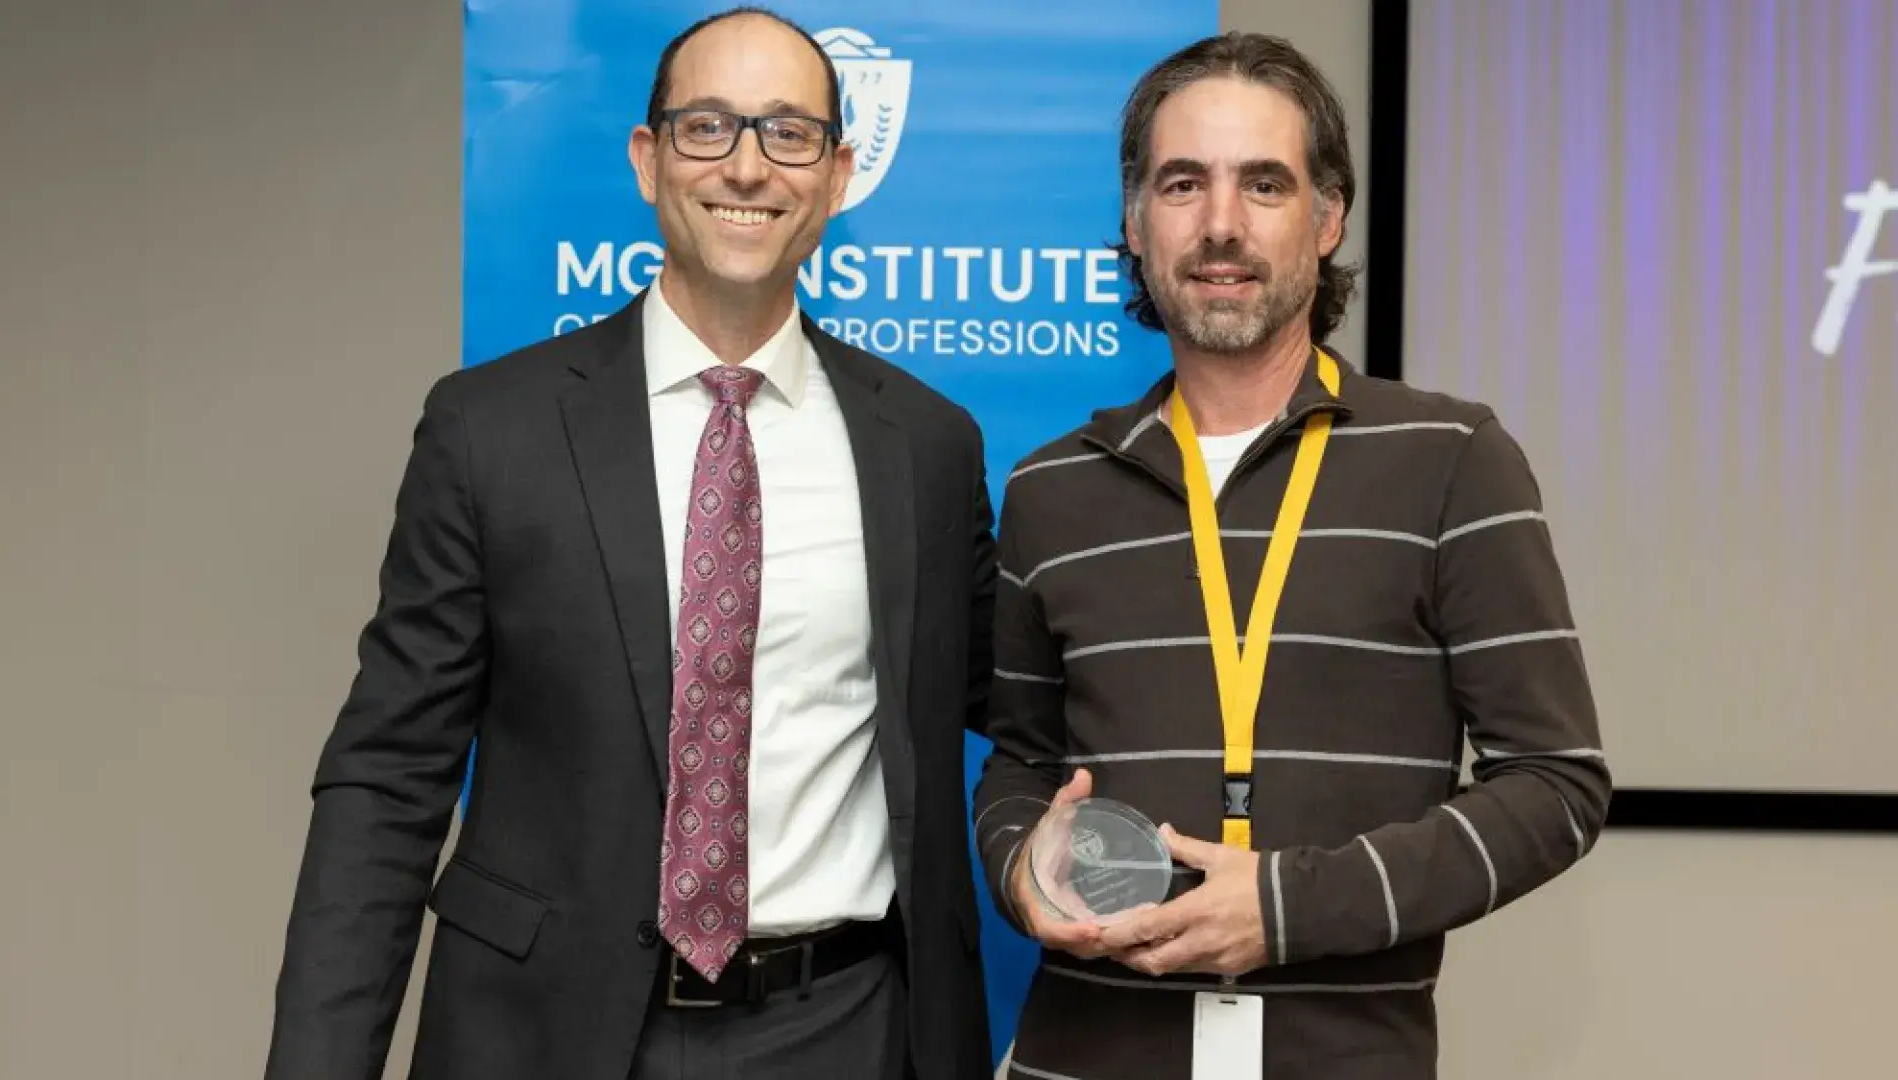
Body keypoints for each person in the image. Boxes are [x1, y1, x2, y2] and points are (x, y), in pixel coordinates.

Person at [265, 8, 998, 1079]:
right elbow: (390, 775)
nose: (747, 168)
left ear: (838, 174)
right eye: (708, 128)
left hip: (843, 1031)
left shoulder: (927, 446)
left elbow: (1015, 700)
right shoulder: (490, 430)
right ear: (648, 160)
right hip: (539, 1031)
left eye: (788, 134)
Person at [973, 31, 1609, 1080]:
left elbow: (1557, 784)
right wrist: (1018, 864)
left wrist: (1286, 906)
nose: (1221, 224)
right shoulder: (1055, 487)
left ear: (1327, 220)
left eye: (1263, 184)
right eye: (1183, 184)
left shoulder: (1452, 461)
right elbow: (1021, 764)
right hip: (1082, 1054)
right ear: (1134, 224)